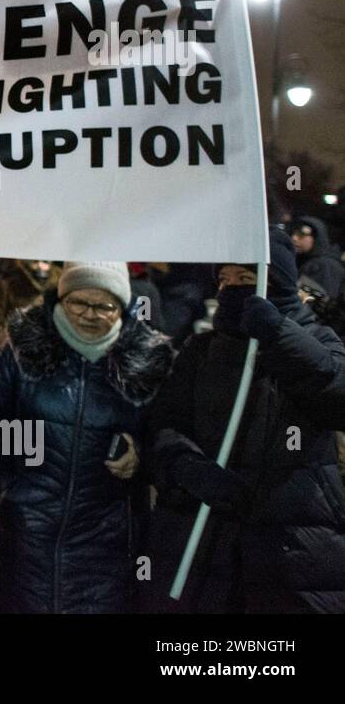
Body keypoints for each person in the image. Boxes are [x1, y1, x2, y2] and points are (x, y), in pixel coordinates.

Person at [144, 228, 345, 613]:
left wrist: (278, 334)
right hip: (205, 542)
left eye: (246, 278)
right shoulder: (202, 349)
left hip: (294, 544)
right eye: (225, 278)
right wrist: (185, 466)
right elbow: (165, 423)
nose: (231, 288)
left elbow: (336, 395)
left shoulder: (317, 338)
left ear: (278, 281)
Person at [0, 262, 173, 613]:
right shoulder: (22, 351)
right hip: (25, 538)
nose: (90, 315)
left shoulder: (146, 362)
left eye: (104, 306)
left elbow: (170, 438)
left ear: (123, 306)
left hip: (107, 546)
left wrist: (142, 458)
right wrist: (5, 496)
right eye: (78, 302)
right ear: (60, 297)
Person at [0, 259, 60, 354]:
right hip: (15, 350)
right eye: (36, 261)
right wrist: (1, 350)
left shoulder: (60, 285)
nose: (41, 265)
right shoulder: (8, 286)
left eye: (45, 261)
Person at [289, 216, 344, 300]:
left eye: (301, 235)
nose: (294, 238)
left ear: (316, 238)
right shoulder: (305, 260)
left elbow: (316, 304)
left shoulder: (324, 266)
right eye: (294, 233)